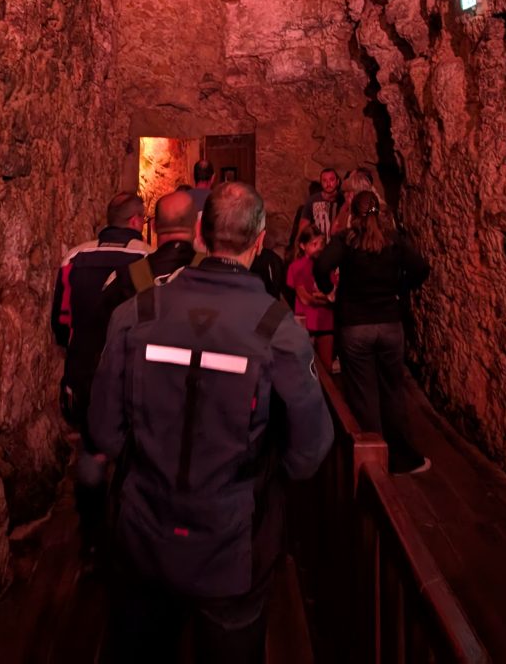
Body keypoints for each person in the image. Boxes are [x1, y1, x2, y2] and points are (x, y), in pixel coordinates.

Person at [90, 182, 334, 663]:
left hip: (145, 533)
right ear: (259, 241)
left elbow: (102, 430)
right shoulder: (278, 331)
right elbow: (309, 451)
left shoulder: (137, 312)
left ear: (200, 233)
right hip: (233, 541)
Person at [50, 191, 150, 566]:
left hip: (84, 371)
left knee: (91, 449)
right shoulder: (146, 259)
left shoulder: (74, 258)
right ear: (136, 221)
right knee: (133, 454)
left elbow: (61, 322)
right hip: (128, 372)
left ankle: (91, 539)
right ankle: (129, 540)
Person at [314, 190, 430, 474]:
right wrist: (400, 290)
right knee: (393, 391)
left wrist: (331, 291)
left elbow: (321, 266)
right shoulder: (392, 240)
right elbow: (421, 268)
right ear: (380, 212)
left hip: (356, 325)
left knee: (363, 394)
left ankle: (372, 464)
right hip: (389, 323)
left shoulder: (346, 241)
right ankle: (401, 458)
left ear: (353, 213)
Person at [287, 224, 335, 370]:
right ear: (303, 246)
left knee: (326, 367)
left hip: (325, 322)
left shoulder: (327, 266)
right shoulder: (297, 266)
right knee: (304, 368)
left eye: (321, 244)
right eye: (314, 244)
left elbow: (333, 293)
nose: (319, 248)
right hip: (306, 323)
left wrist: (327, 298)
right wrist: (326, 299)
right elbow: (305, 298)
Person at [297, 167, 343, 244]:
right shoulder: (312, 200)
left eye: (331, 180)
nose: (328, 183)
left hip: (337, 243)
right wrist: (299, 242)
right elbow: (304, 224)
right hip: (318, 244)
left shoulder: (343, 199)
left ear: (337, 181)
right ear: (321, 183)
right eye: (324, 181)